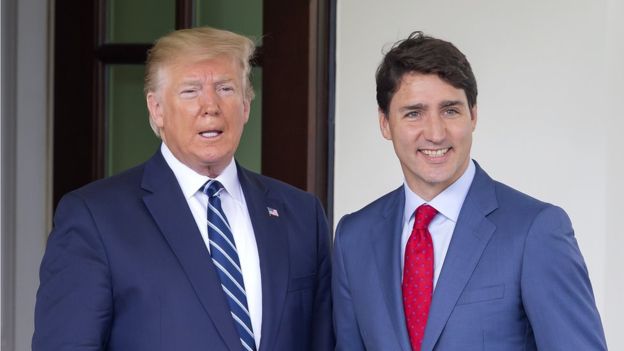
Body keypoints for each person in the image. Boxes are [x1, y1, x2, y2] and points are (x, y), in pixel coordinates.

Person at [33, 26, 333, 351]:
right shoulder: (94, 219)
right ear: (156, 109)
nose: (210, 106)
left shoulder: (301, 215)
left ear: (246, 105)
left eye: (226, 88)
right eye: (190, 91)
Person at [332, 31, 607, 351]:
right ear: (385, 124)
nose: (435, 133)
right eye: (413, 113)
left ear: (473, 115)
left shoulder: (536, 230)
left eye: (450, 110)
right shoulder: (354, 238)